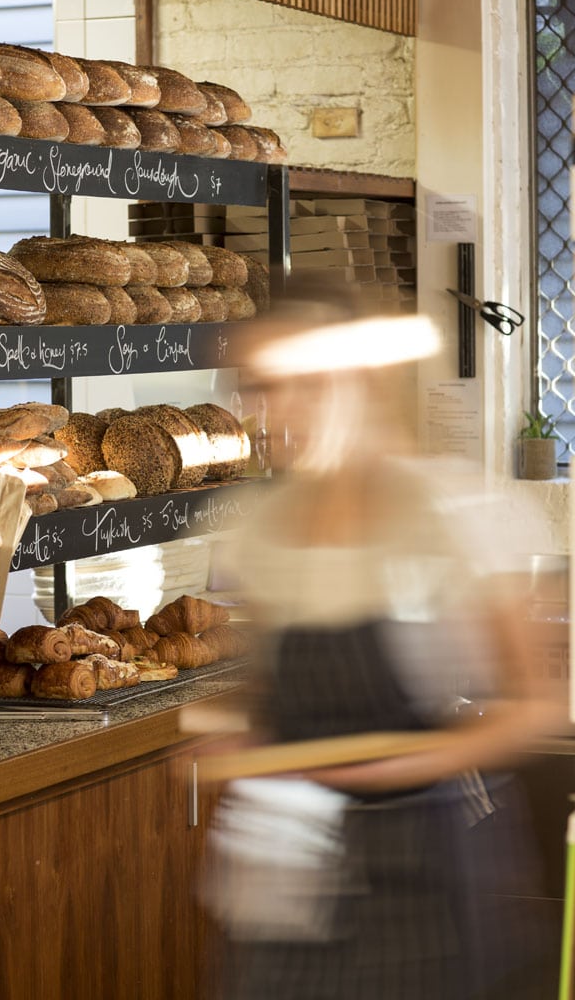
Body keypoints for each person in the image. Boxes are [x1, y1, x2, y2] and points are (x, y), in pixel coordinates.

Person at [198, 276, 562, 1000]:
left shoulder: (451, 514)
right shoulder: (261, 529)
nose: (271, 412)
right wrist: (244, 741)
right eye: (258, 388)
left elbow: (535, 708)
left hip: (422, 861)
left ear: (354, 382)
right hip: (294, 861)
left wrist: (396, 768)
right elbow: (274, 702)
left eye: (296, 384)